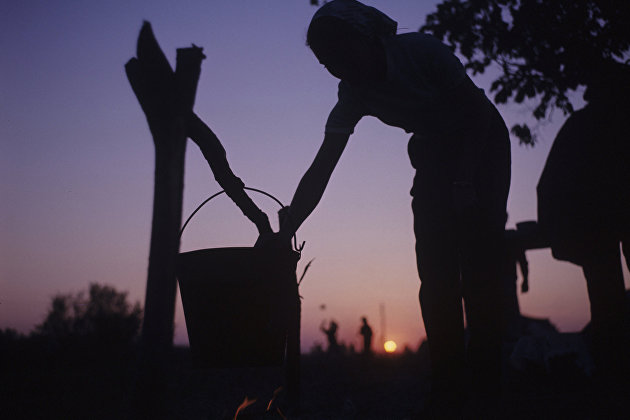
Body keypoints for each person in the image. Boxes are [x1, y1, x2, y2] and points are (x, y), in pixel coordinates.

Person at [261, 0, 511, 411]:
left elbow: (477, 112)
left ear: (365, 38)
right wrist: (286, 229)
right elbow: (322, 167)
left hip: (481, 143)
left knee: (480, 266)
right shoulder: (353, 95)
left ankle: (488, 386)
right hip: (432, 154)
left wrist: (466, 179)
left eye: (341, 54)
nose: (338, 66)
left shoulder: (422, 52)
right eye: (327, 63)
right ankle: (447, 388)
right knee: (435, 274)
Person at [537, 60, 630, 385]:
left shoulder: (591, 123)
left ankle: (612, 366)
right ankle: (613, 367)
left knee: (607, 294)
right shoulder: (603, 125)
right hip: (585, 222)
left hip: (587, 221)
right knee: (608, 295)